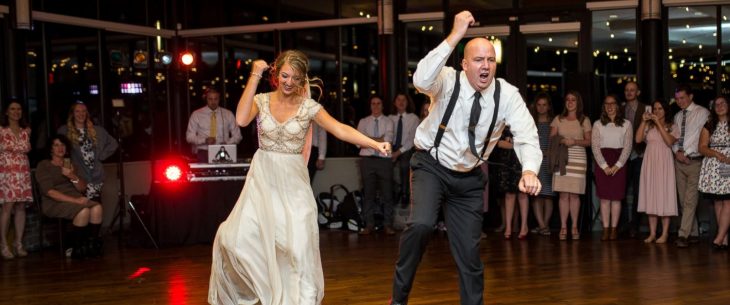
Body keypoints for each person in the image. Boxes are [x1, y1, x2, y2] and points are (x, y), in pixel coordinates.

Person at [208, 50, 391, 305]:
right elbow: (240, 118)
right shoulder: (262, 100)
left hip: (294, 184)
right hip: (263, 182)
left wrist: (374, 144)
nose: (289, 82)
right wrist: (254, 74)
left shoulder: (308, 107)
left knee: (298, 248)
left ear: (302, 79)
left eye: (295, 77)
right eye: (284, 75)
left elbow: (339, 129)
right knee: (233, 239)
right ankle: (267, 292)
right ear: (276, 74)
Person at [389, 11, 542, 305]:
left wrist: (530, 170)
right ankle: (398, 298)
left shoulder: (507, 94)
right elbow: (420, 79)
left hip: (469, 178)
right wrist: (455, 35)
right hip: (431, 166)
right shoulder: (447, 80)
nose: (485, 65)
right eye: (477, 59)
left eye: (490, 60)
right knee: (421, 225)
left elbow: (526, 134)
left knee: (470, 255)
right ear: (464, 64)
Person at [35, 134, 103, 259]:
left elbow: (82, 188)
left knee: (97, 208)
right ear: (51, 149)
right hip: (54, 202)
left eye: (62, 145)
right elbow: (50, 192)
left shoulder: (71, 165)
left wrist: (72, 176)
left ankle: (91, 246)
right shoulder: (44, 165)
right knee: (83, 211)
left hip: (75, 198)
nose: (60, 148)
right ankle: (75, 248)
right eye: (56, 145)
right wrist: (76, 201)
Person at [670, 85, 710, 248]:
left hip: (694, 161)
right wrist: (677, 152)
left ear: (691, 96)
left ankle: (683, 234)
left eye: (683, 98)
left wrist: (686, 153)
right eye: (677, 99)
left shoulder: (703, 113)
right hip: (679, 161)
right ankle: (693, 233)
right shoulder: (678, 116)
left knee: (690, 199)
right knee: (682, 199)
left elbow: (700, 138)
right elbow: (674, 137)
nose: (680, 102)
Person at [57, 102, 118, 204]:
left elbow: (114, 143)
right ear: (72, 114)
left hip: (96, 176)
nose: (81, 114)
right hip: (78, 177)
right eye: (77, 111)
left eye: (84, 111)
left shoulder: (97, 130)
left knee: (96, 207)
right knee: (81, 209)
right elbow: (59, 149)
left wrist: (102, 155)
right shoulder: (64, 131)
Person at [550, 91, 592, 240]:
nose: (570, 102)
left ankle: (574, 226)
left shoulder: (584, 120)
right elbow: (552, 138)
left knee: (574, 195)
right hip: (561, 160)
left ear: (578, 102)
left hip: (578, 160)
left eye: (573, 100)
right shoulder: (558, 119)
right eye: (567, 99)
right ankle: (563, 227)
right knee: (563, 195)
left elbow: (590, 141)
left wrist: (574, 142)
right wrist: (561, 140)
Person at [591, 95, 632, 241]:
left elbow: (627, 147)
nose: (610, 106)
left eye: (613, 103)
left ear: (617, 106)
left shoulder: (626, 124)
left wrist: (617, 165)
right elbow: (595, 147)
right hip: (603, 162)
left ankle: (614, 229)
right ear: (604, 106)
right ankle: (606, 229)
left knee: (616, 198)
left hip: (619, 162)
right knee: (604, 199)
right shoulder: (597, 124)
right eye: (607, 104)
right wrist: (604, 166)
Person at [636, 99, 677, 244]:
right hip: (650, 162)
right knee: (651, 195)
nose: (657, 111)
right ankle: (652, 233)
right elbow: (638, 139)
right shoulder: (648, 125)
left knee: (664, 195)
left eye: (660, 108)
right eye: (655, 109)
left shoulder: (672, 126)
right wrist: (643, 121)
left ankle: (664, 233)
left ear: (665, 110)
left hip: (664, 163)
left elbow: (669, 142)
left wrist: (659, 123)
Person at [357, 95, 395, 235]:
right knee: (368, 194)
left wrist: (367, 139)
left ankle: (388, 225)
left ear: (382, 106)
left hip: (384, 160)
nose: (376, 106)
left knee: (387, 194)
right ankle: (369, 225)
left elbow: (388, 141)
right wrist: (379, 140)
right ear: (370, 105)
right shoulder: (363, 121)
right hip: (367, 160)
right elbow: (358, 142)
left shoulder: (389, 121)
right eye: (373, 103)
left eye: (379, 103)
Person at [0, 101, 33, 259]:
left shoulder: (26, 131)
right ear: (6, 112)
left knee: (21, 207)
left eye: (19, 109)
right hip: (7, 172)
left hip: (22, 171)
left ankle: (18, 243)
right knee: (7, 207)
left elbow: (26, 148)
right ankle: (4, 244)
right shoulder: (1, 130)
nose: (16, 112)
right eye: (12, 109)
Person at [698, 96, 730, 249]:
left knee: (728, 201)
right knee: (718, 201)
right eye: (716, 104)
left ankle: (719, 237)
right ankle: (724, 239)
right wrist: (716, 154)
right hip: (714, 166)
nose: (720, 106)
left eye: (723, 103)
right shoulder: (709, 125)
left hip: (729, 165)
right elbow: (702, 147)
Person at [619, 81, 647, 238]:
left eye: (632, 90)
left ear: (638, 92)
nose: (629, 92)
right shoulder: (620, 109)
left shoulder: (645, 109)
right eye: (627, 90)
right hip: (622, 156)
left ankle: (634, 225)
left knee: (638, 192)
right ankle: (623, 224)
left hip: (639, 155)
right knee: (621, 191)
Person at [491, 126, 529, 239]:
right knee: (509, 194)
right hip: (506, 163)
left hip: (521, 161)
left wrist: (513, 144)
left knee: (523, 193)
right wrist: (517, 145)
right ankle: (508, 227)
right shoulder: (501, 124)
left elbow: (528, 142)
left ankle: (523, 227)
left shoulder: (523, 121)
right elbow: (499, 143)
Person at [185, 87, 243, 162]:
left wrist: (227, 143)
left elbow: (238, 136)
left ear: (219, 99)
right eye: (210, 99)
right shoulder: (196, 114)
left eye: (216, 99)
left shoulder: (228, 114)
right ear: (206, 99)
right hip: (203, 151)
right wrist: (205, 140)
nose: (213, 102)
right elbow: (189, 137)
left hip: (224, 150)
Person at [530, 93, 555, 236]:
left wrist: (548, 153)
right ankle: (542, 225)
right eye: (539, 105)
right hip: (534, 161)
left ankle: (544, 225)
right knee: (537, 194)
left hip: (548, 161)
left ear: (549, 106)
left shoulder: (554, 122)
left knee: (548, 195)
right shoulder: (531, 121)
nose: (541, 108)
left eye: (544, 105)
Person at [389, 93, 420, 206]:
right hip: (391, 147)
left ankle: (404, 194)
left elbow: (412, 139)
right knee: (385, 167)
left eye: (404, 100)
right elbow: (388, 136)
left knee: (404, 165)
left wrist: (397, 153)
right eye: (398, 99)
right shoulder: (389, 118)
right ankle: (394, 192)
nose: (401, 102)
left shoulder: (413, 118)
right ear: (394, 103)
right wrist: (390, 151)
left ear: (408, 103)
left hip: (406, 148)